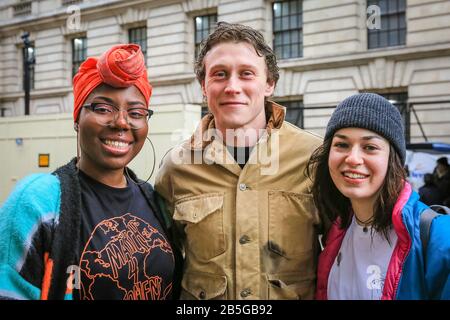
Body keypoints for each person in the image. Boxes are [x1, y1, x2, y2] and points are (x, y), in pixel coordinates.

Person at [155, 22, 324, 300]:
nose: (232, 87)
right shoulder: (177, 167)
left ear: (269, 84)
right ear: (203, 85)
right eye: (219, 74)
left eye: (246, 74)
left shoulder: (314, 157)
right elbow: (162, 263)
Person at [0, 44, 182, 300]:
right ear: (77, 119)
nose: (121, 121)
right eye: (102, 108)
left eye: (136, 112)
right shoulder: (36, 202)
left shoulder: (155, 200)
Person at [307, 93, 450, 300]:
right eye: (342, 144)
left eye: (370, 147)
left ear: (393, 159)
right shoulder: (335, 230)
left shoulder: (439, 238)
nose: (353, 158)